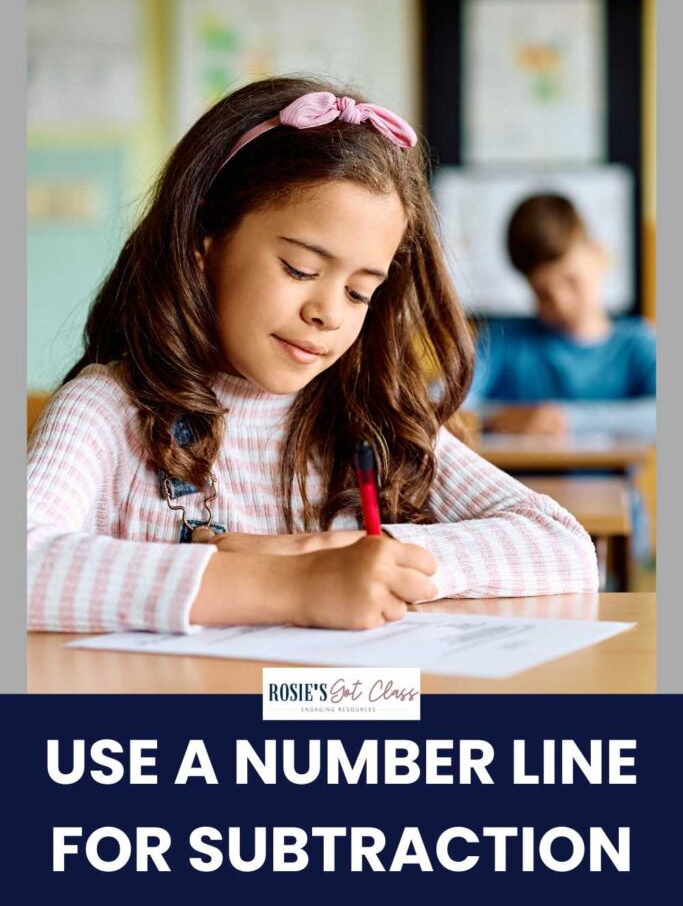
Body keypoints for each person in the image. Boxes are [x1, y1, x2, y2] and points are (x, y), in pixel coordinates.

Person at [28, 78, 597, 635]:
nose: (328, 312)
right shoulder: (108, 410)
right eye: (300, 269)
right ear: (206, 239)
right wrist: (293, 584)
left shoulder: (370, 419)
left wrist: (353, 556)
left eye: (359, 292)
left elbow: (564, 547)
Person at [467, 193, 656, 439]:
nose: (562, 303)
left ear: (600, 257)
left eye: (571, 281)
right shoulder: (501, 342)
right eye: (543, 293)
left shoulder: (637, 343)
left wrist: (567, 419)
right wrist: (495, 419)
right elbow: (441, 403)